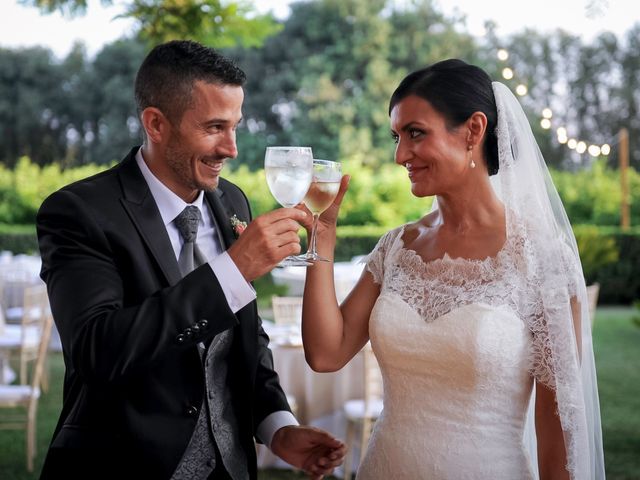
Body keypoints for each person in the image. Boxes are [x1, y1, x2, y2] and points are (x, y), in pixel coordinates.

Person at [36, 40, 345, 480]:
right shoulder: (80, 211)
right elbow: (97, 351)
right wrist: (233, 270)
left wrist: (277, 427)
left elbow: (245, 339)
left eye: (236, 126)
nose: (232, 148)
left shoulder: (232, 201)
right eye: (214, 127)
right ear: (156, 124)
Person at [300, 59, 605, 479]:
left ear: (474, 130)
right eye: (397, 136)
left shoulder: (542, 258)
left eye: (416, 133)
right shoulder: (396, 247)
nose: (400, 155)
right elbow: (325, 353)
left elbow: (557, 433)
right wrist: (323, 236)